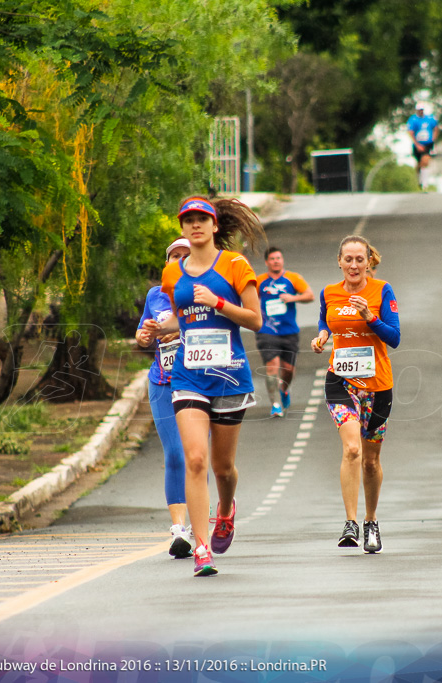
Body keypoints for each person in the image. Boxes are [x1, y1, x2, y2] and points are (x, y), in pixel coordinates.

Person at [142, 196, 265, 577]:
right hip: (187, 375)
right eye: (188, 220)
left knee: (222, 467)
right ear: (182, 228)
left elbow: (256, 320)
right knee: (194, 459)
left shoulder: (234, 265)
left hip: (229, 374)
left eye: (202, 219)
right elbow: (185, 321)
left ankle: (225, 511)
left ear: (214, 226)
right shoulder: (173, 274)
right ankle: (201, 547)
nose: (195, 225)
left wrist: (218, 302)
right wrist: (157, 329)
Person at [311, 236, 400, 553]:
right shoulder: (329, 292)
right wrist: (323, 334)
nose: (353, 265)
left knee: (371, 462)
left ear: (368, 263)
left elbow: (395, 337)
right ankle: (349, 522)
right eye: (348, 259)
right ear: (339, 261)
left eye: (359, 259)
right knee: (352, 449)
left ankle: (371, 521)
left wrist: (369, 317)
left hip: (377, 387)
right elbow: (325, 316)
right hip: (341, 382)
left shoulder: (381, 291)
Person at [135, 237, 193, 559]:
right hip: (162, 381)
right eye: (174, 256)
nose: (180, 261)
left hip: (198, 381)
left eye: (186, 256)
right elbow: (144, 333)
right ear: (166, 263)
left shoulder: (201, 294)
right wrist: (144, 336)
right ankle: (179, 530)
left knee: (196, 456)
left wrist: (179, 332)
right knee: (174, 453)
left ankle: (206, 517)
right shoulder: (155, 295)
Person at [255, 247, 314, 418]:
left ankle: (284, 390)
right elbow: (247, 297)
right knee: (272, 366)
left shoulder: (293, 278)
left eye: (278, 258)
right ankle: (274, 404)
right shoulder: (259, 281)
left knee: (288, 369)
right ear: (267, 262)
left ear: (282, 260)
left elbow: (309, 295)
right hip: (267, 330)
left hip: (289, 331)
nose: (276, 261)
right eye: (272, 258)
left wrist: (293, 298)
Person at [407, 102, 439, 191]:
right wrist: (417, 144)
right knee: (419, 164)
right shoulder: (413, 120)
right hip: (418, 144)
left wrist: (433, 139)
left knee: (425, 162)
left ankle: (425, 184)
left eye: (422, 110)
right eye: (419, 110)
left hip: (428, 144)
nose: (421, 111)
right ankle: (420, 179)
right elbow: (410, 132)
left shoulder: (430, 118)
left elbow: (436, 128)